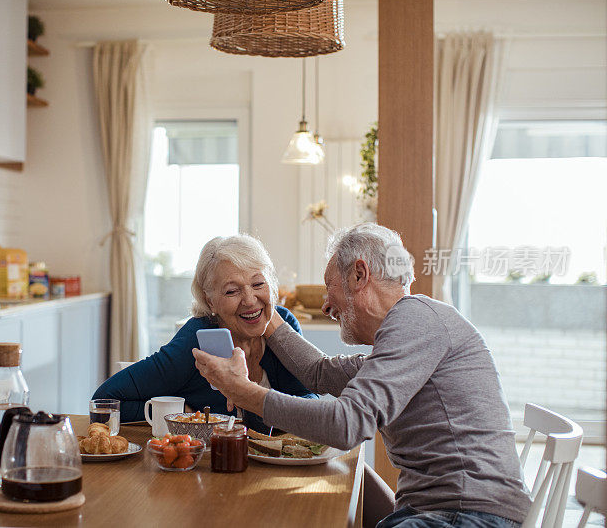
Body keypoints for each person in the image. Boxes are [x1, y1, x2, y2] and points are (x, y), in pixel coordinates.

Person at [193, 223, 531, 528]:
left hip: (471, 516)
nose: (326, 306)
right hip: (442, 512)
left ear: (359, 274)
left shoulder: (417, 320)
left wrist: (242, 391)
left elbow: (346, 424)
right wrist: (265, 315)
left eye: (330, 288)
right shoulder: (408, 334)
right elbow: (319, 372)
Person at [92, 234, 316, 433]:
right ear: (211, 301)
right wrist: (180, 413)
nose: (249, 300)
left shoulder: (282, 324)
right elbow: (104, 401)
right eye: (232, 291)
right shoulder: (195, 340)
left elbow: (310, 401)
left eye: (258, 284)